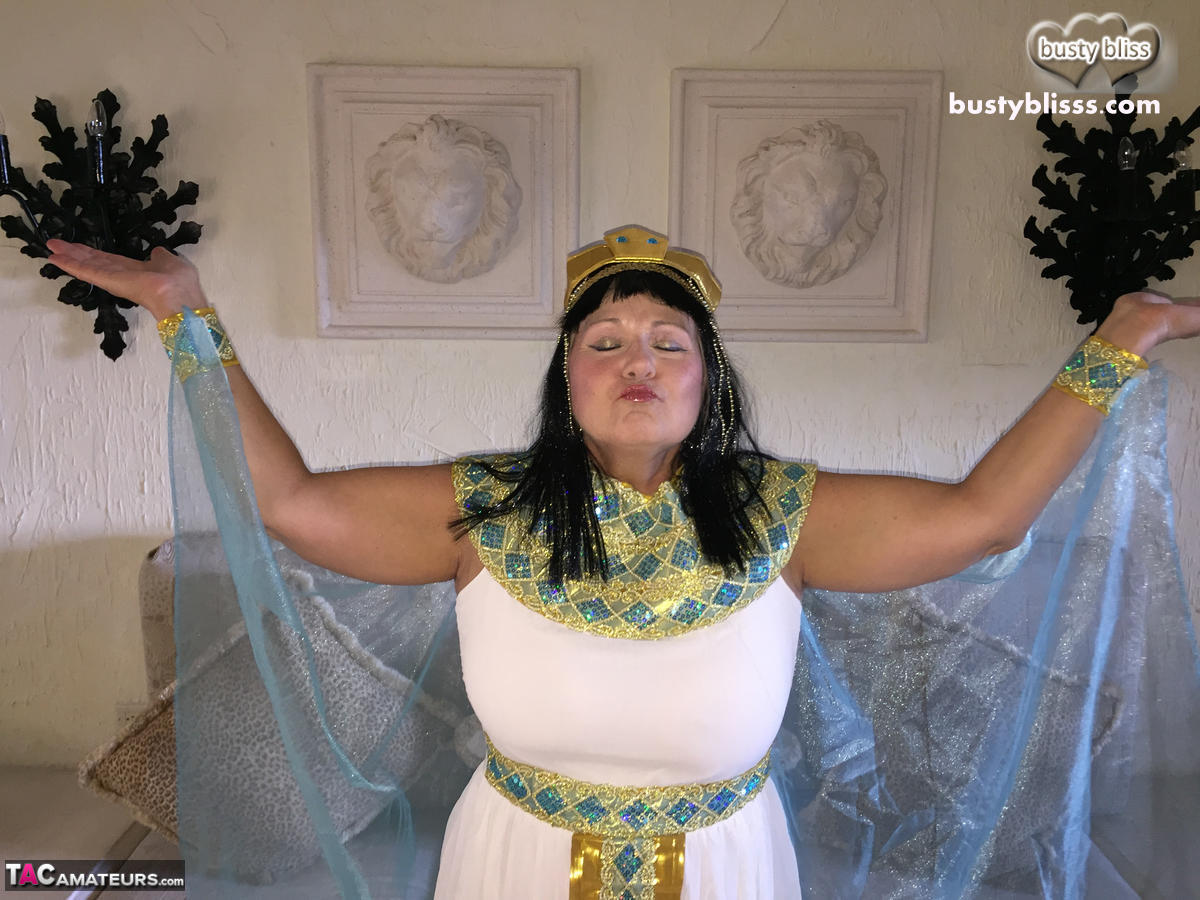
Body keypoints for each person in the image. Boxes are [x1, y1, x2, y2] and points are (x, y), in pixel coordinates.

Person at [45, 226, 1200, 899]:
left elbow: (986, 518)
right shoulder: (479, 510)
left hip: (730, 865)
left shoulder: (788, 515)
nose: (635, 360)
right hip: (514, 861)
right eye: (604, 341)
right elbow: (290, 504)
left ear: (707, 378)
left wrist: (1123, 337)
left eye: (666, 342)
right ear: (569, 375)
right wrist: (186, 315)